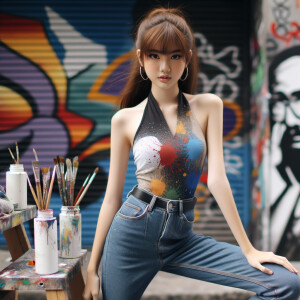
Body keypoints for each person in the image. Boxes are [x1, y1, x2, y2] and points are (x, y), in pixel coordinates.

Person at [83, 7, 300, 300]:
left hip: (181, 236)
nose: (164, 67)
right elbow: (111, 198)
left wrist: (248, 249)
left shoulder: (208, 106)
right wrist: (91, 270)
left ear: (186, 59)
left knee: (285, 283)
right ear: (141, 58)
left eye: (174, 56)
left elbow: (218, 179)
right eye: (154, 55)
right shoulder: (124, 119)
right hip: (133, 233)